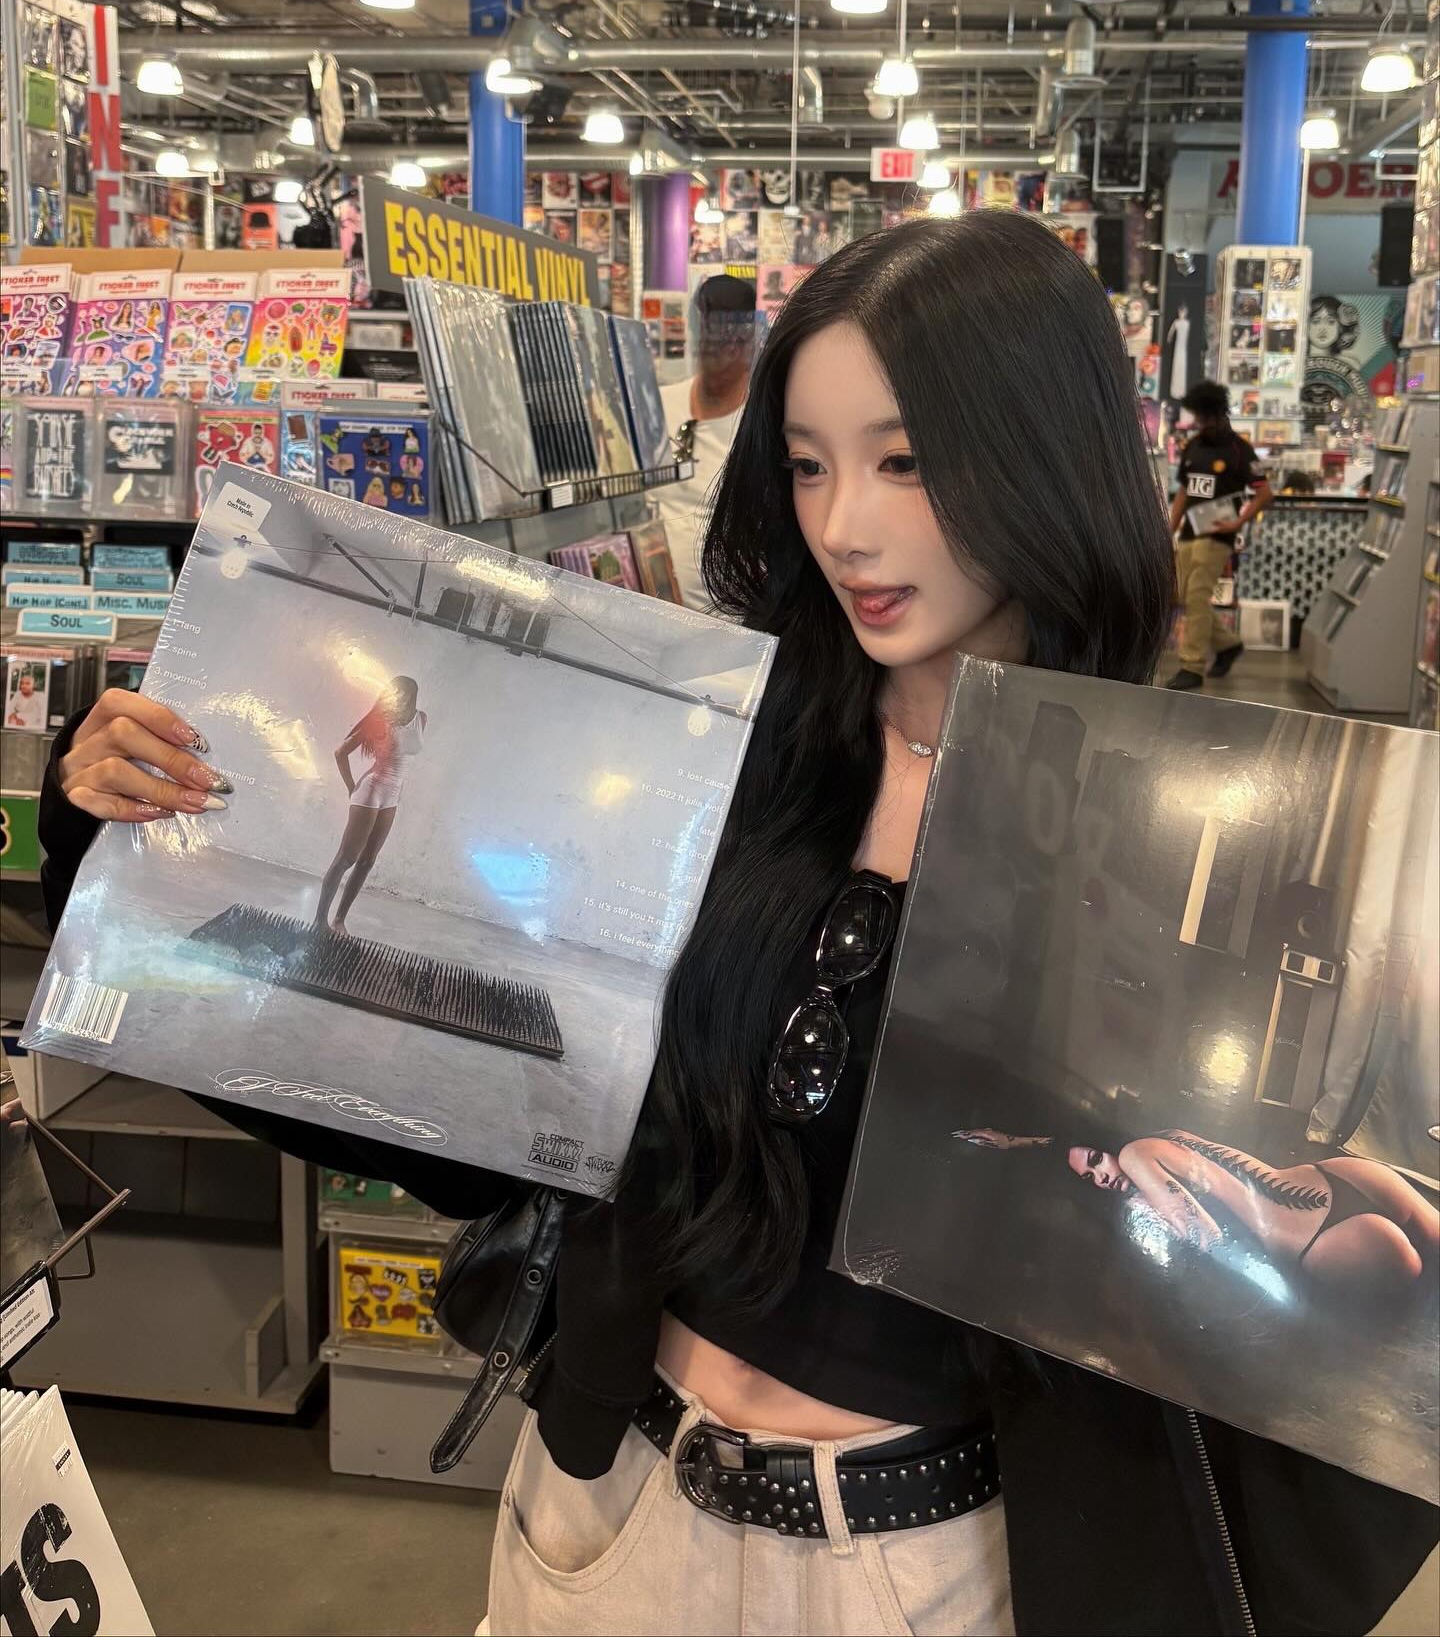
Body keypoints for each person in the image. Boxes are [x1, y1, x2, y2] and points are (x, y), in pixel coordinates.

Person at [39, 217, 1434, 1637]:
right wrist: (140, 842)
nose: (846, 528)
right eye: (810, 464)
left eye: (905, 461)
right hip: (610, 1515)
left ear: (1042, 457)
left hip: (928, 1572)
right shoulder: (713, 753)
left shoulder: (1183, 832)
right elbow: (475, 1115)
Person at [956, 1128, 1438, 1296]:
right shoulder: (1168, 1135)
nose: (1101, 1178)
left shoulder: (1138, 1158)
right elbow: (1077, 1137)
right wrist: (1018, 1142)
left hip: (1322, 1241)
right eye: (1090, 1179)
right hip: (1341, 1176)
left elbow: (1210, 1242)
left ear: (1109, 1144)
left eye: (1098, 1161)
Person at [653, 272, 757, 610]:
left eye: (730, 332)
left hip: (727, 622)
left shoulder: (759, 424)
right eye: (708, 327)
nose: (717, 342)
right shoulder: (658, 404)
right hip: (648, 609)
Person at [1167, 379, 1274, 692]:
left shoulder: (1240, 450)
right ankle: (1228, 644)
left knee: (1197, 596)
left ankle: (1191, 666)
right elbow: (1185, 491)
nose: (1204, 424)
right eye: (1200, 418)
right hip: (1190, 531)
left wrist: (1237, 523)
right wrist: (1170, 528)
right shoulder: (1193, 446)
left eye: (1208, 417)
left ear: (1221, 413)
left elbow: (1264, 494)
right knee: (1182, 596)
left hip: (1217, 535)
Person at [314, 677, 426, 935]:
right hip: (370, 792)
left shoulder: (421, 719)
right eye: (399, 694)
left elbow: (407, 754)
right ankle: (319, 921)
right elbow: (340, 752)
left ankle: (339, 920)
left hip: (392, 797)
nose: (403, 699)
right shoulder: (379, 721)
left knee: (367, 862)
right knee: (346, 859)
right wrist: (351, 786)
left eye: (407, 695)